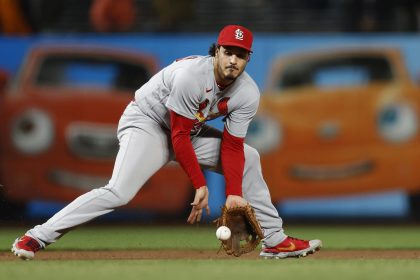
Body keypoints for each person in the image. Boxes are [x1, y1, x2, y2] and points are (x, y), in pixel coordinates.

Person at [11, 24, 322, 260]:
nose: (233, 60)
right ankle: (36, 237)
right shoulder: (191, 76)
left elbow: (231, 146)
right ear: (217, 51)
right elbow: (177, 135)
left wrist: (234, 194)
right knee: (119, 192)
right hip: (147, 124)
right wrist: (199, 184)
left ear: (248, 59)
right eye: (228, 51)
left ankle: (274, 240)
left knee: (250, 157)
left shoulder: (248, 93)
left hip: (187, 131)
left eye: (241, 55)